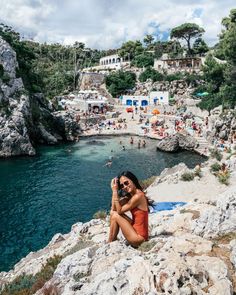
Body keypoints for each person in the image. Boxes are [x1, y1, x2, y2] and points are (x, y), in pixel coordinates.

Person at [108, 171, 149, 247]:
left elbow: (119, 211)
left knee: (115, 214)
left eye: (126, 183)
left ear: (132, 180)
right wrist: (114, 190)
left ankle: (110, 242)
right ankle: (111, 241)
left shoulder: (138, 196)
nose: (125, 187)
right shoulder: (131, 196)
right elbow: (114, 208)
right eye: (122, 186)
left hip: (139, 239)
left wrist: (114, 191)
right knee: (113, 213)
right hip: (135, 231)